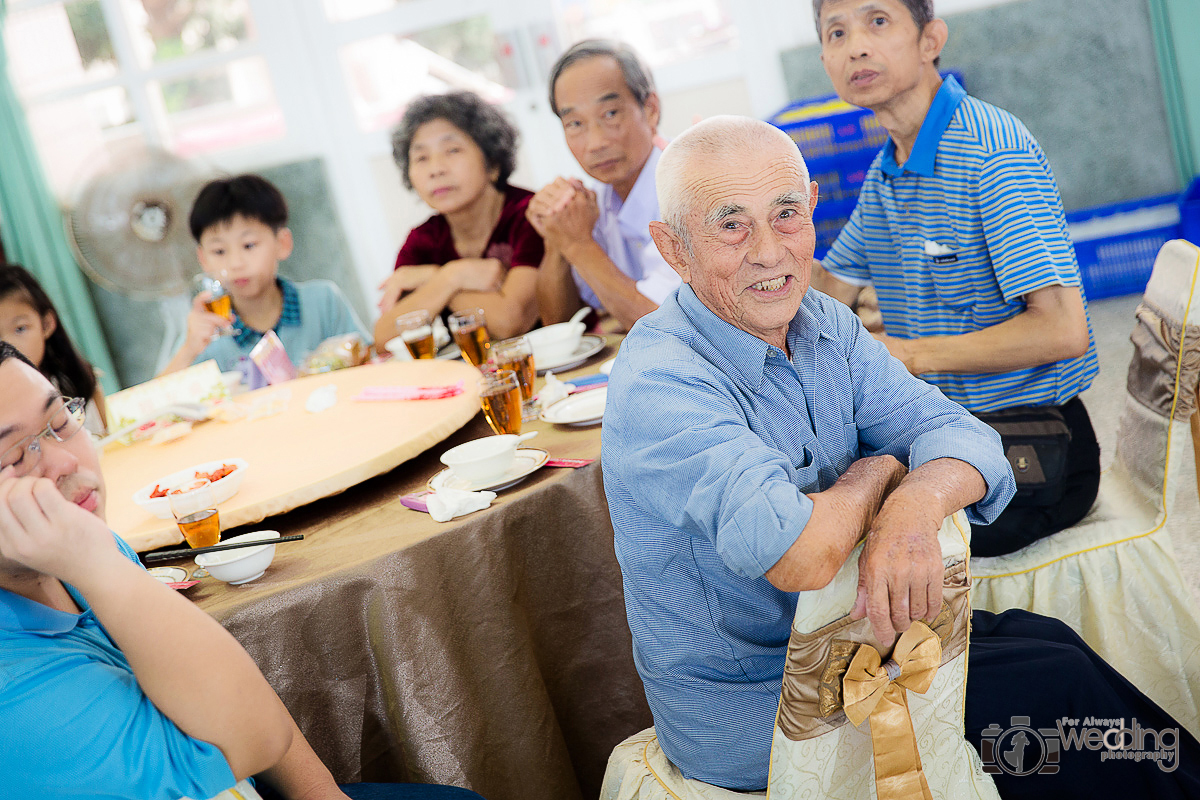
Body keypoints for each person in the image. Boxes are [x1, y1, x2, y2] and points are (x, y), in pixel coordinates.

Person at [602, 115, 1200, 797]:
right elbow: (801, 553)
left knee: (1051, 645)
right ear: (673, 248)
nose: (770, 252)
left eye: (787, 214)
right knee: (1050, 697)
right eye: (731, 225)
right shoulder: (661, 377)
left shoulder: (822, 323)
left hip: (856, 641)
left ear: (813, 213)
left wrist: (914, 504)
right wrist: (878, 472)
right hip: (762, 706)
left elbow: (966, 437)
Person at [0, 341, 487, 800]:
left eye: (59, 421)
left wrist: (320, 793)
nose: (64, 461)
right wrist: (97, 564)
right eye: (13, 457)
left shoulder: (86, 548)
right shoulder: (16, 690)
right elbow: (252, 740)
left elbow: (217, 685)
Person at [808, 0, 1100, 556]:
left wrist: (911, 354)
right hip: (954, 435)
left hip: (1035, 447)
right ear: (825, 58)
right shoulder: (888, 170)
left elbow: (1063, 331)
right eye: (836, 32)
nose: (856, 46)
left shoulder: (991, 151)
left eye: (877, 22)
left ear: (930, 39)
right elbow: (830, 293)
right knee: (813, 507)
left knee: (855, 547)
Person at [527, 40, 681, 331]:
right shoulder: (596, 199)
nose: (596, 143)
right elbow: (559, 326)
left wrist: (578, 244)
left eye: (610, 114)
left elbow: (663, 329)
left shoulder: (690, 189)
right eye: (575, 124)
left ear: (650, 109)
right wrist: (557, 235)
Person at [374, 91, 542, 347]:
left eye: (452, 150)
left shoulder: (530, 214)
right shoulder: (423, 239)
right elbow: (385, 336)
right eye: (421, 157)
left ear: (493, 162)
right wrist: (451, 275)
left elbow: (511, 321)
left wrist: (435, 280)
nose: (436, 169)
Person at [161, 175, 371, 375]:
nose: (236, 263)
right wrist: (189, 349)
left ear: (282, 243)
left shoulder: (323, 301)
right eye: (219, 251)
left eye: (249, 245)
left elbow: (371, 362)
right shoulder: (205, 332)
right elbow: (153, 405)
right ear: (203, 259)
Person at [0, 264, 107, 435]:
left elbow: (106, 441)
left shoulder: (77, 381)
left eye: (20, 329)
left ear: (47, 324)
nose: (9, 345)